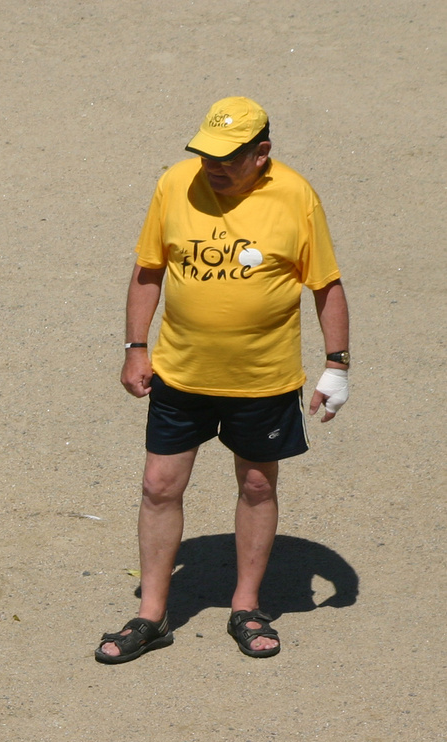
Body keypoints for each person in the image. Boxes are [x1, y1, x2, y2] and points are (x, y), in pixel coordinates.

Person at [96, 97, 350, 663]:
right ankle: (151, 615)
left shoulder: (296, 196)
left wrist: (337, 366)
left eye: (228, 157)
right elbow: (148, 269)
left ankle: (247, 606)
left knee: (258, 486)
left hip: (263, 379)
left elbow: (326, 285)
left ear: (262, 153)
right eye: (205, 152)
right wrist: (136, 348)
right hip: (181, 373)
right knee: (159, 486)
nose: (212, 165)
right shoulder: (175, 185)